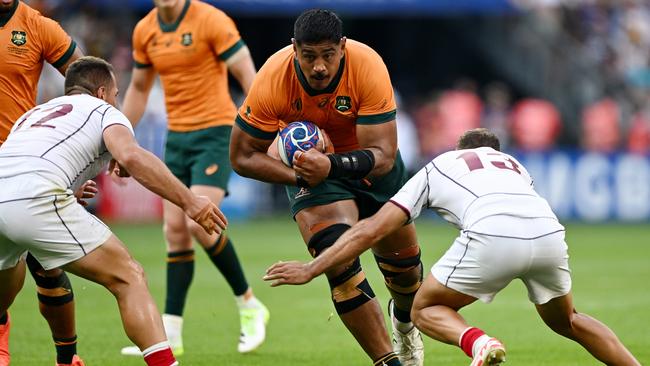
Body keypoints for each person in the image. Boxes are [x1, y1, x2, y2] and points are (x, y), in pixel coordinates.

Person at [264, 128, 642, 366]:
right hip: (549, 233)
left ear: (461, 148)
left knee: (423, 309)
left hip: (494, 235)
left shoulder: (441, 164)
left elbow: (373, 229)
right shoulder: (514, 165)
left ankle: (479, 343)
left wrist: (312, 268)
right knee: (570, 320)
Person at [0, 56, 228, 366]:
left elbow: (25, 163)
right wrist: (190, 201)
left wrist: (67, 187)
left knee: (4, 293)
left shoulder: (33, 114)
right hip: (37, 197)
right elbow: (131, 157)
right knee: (128, 276)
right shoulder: (103, 110)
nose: (116, 101)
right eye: (117, 95)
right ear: (103, 92)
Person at [230, 9, 424, 366]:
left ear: (343, 48)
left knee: (406, 272)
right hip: (313, 178)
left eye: (328, 55)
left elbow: (384, 155)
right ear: (294, 50)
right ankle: (388, 362)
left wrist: (331, 165)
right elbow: (241, 156)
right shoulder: (273, 76)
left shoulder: (366, 65)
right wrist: (302, 176)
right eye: (308, 56)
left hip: (369, 168)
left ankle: (405, 322)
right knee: (340, 266)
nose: (319, 66)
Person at [119, 0, 268, 356]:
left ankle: (250, 305)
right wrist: (120, 136)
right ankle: (171, 332)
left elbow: (249, 74)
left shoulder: (211, 20)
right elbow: (139, 88)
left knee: (199, 225)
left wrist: (265, 123)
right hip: (177, 139)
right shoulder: (146, 30)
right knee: (174, 232)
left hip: (216, 132)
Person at [0, 1, 84, 364]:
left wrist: (73, 161)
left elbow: (88, 84)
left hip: (22, 163)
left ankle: (68, 359)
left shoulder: (37, 27)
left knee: (47, 267)